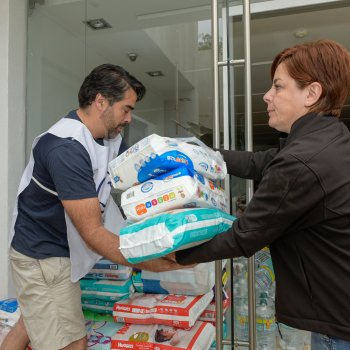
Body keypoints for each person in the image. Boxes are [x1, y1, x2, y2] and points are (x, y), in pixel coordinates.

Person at [173, 40, 350, 348]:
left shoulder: (301, 161)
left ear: (312, 93)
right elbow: (259, 162)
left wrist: (170, 253)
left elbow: (243, 236)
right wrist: (197, 154)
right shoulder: (330, 137)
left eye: (278, 87)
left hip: (336, 321)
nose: (267, 96)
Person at [1, 64, 178, 350]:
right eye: (126, 109)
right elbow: (93, 232)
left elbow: (132, 185)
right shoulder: (66, 148)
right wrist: (152, 262)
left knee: (32, 321)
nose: (130, 119)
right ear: (100, 102)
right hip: (42, 256)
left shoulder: (108, 138)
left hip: (55, 248)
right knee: (72, 342)